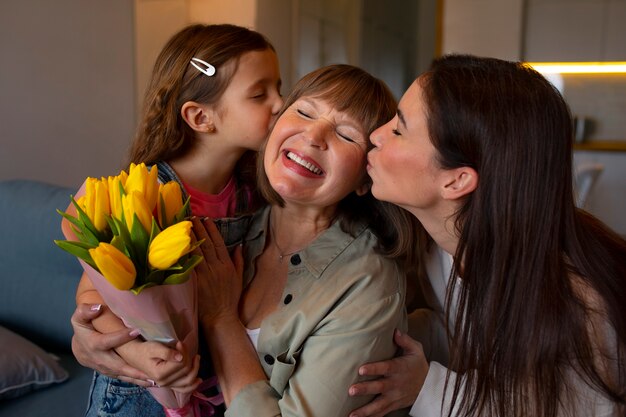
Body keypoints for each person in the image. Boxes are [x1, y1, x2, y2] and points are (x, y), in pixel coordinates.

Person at [348, 54, 626, 417]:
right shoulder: (446, 247)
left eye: (399, 130)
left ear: (457, 180)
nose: (375, 135)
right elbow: (466, 331)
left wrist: (426, 387)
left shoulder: (577, 308)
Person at [71, 23, 283, 416]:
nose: (280, 103)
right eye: (260, 94)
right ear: (201, 117)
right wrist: (137, 352)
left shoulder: (253, 192)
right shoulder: (143, 194)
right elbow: (92, 298)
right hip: (141, 393)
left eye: (279, 88)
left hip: (218, 385)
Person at [189, 63, 422, 416]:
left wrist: (221, 320)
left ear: (365, 176)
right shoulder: (227, 222)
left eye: (345, 134)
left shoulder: (369, 282)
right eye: (304, 111)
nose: (314, 135)